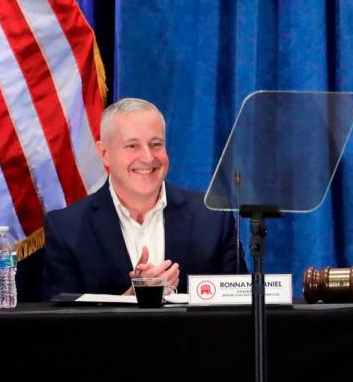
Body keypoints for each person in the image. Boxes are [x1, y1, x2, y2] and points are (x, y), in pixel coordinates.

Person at [43, 98, 241, 299]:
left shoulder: (212, 216)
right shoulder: (66, 228)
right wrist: (132, 297)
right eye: (132, 146)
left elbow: (240, 310)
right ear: (104, 154)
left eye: (156, 144)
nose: (147, 157)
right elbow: (61, 323)